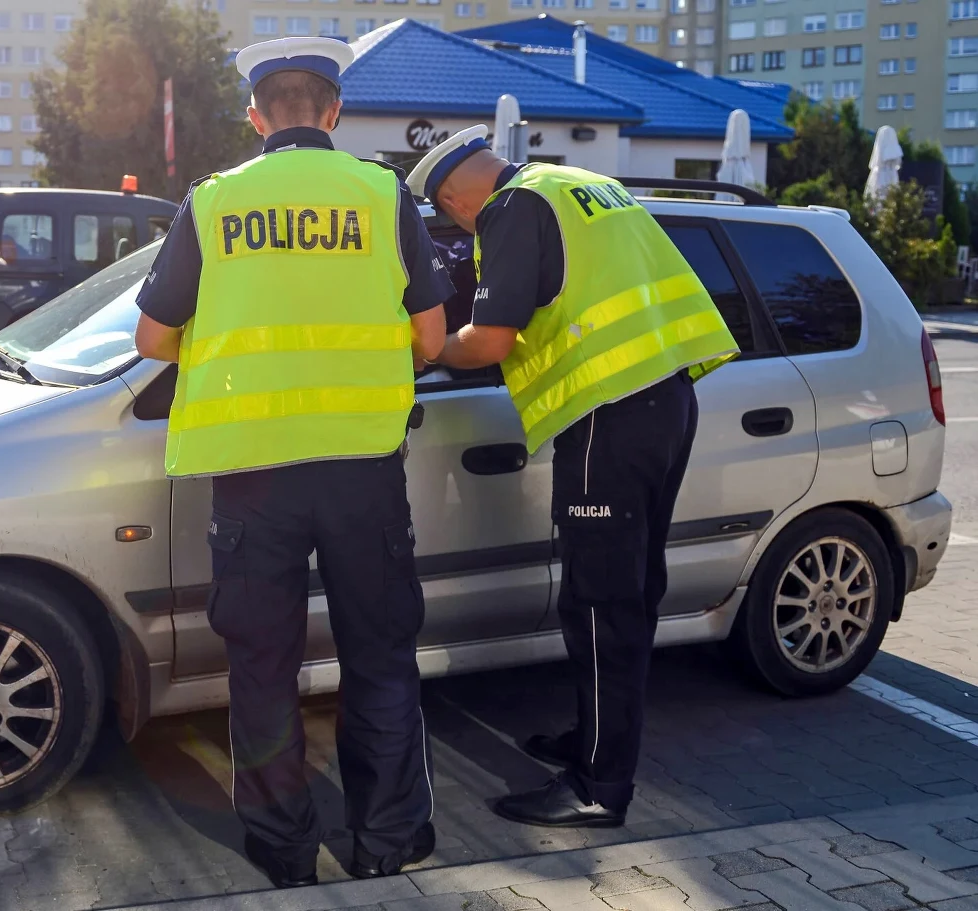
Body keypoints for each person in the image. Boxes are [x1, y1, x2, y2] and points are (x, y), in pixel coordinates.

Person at [134, 37, 453, 888]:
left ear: (255, 115)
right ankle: (386, 841)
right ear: (334, 111)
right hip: (362, 468)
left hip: (253, 474)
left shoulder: (214, 202)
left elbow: (153, 336)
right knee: (381, 654)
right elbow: (429, 335)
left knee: (262, 666)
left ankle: (281, 848)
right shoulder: (382, 194)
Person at [406, 127, 739, 829]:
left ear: (454, 195)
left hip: (606, 417)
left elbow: (492, 338)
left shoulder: (511, 208)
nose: (459, 229)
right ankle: (597, 739)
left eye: (448, 215)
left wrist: (428, 350)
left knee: (598, 605)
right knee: (632, 594)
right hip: (667, 398)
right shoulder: (584, 184)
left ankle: (597, 785)